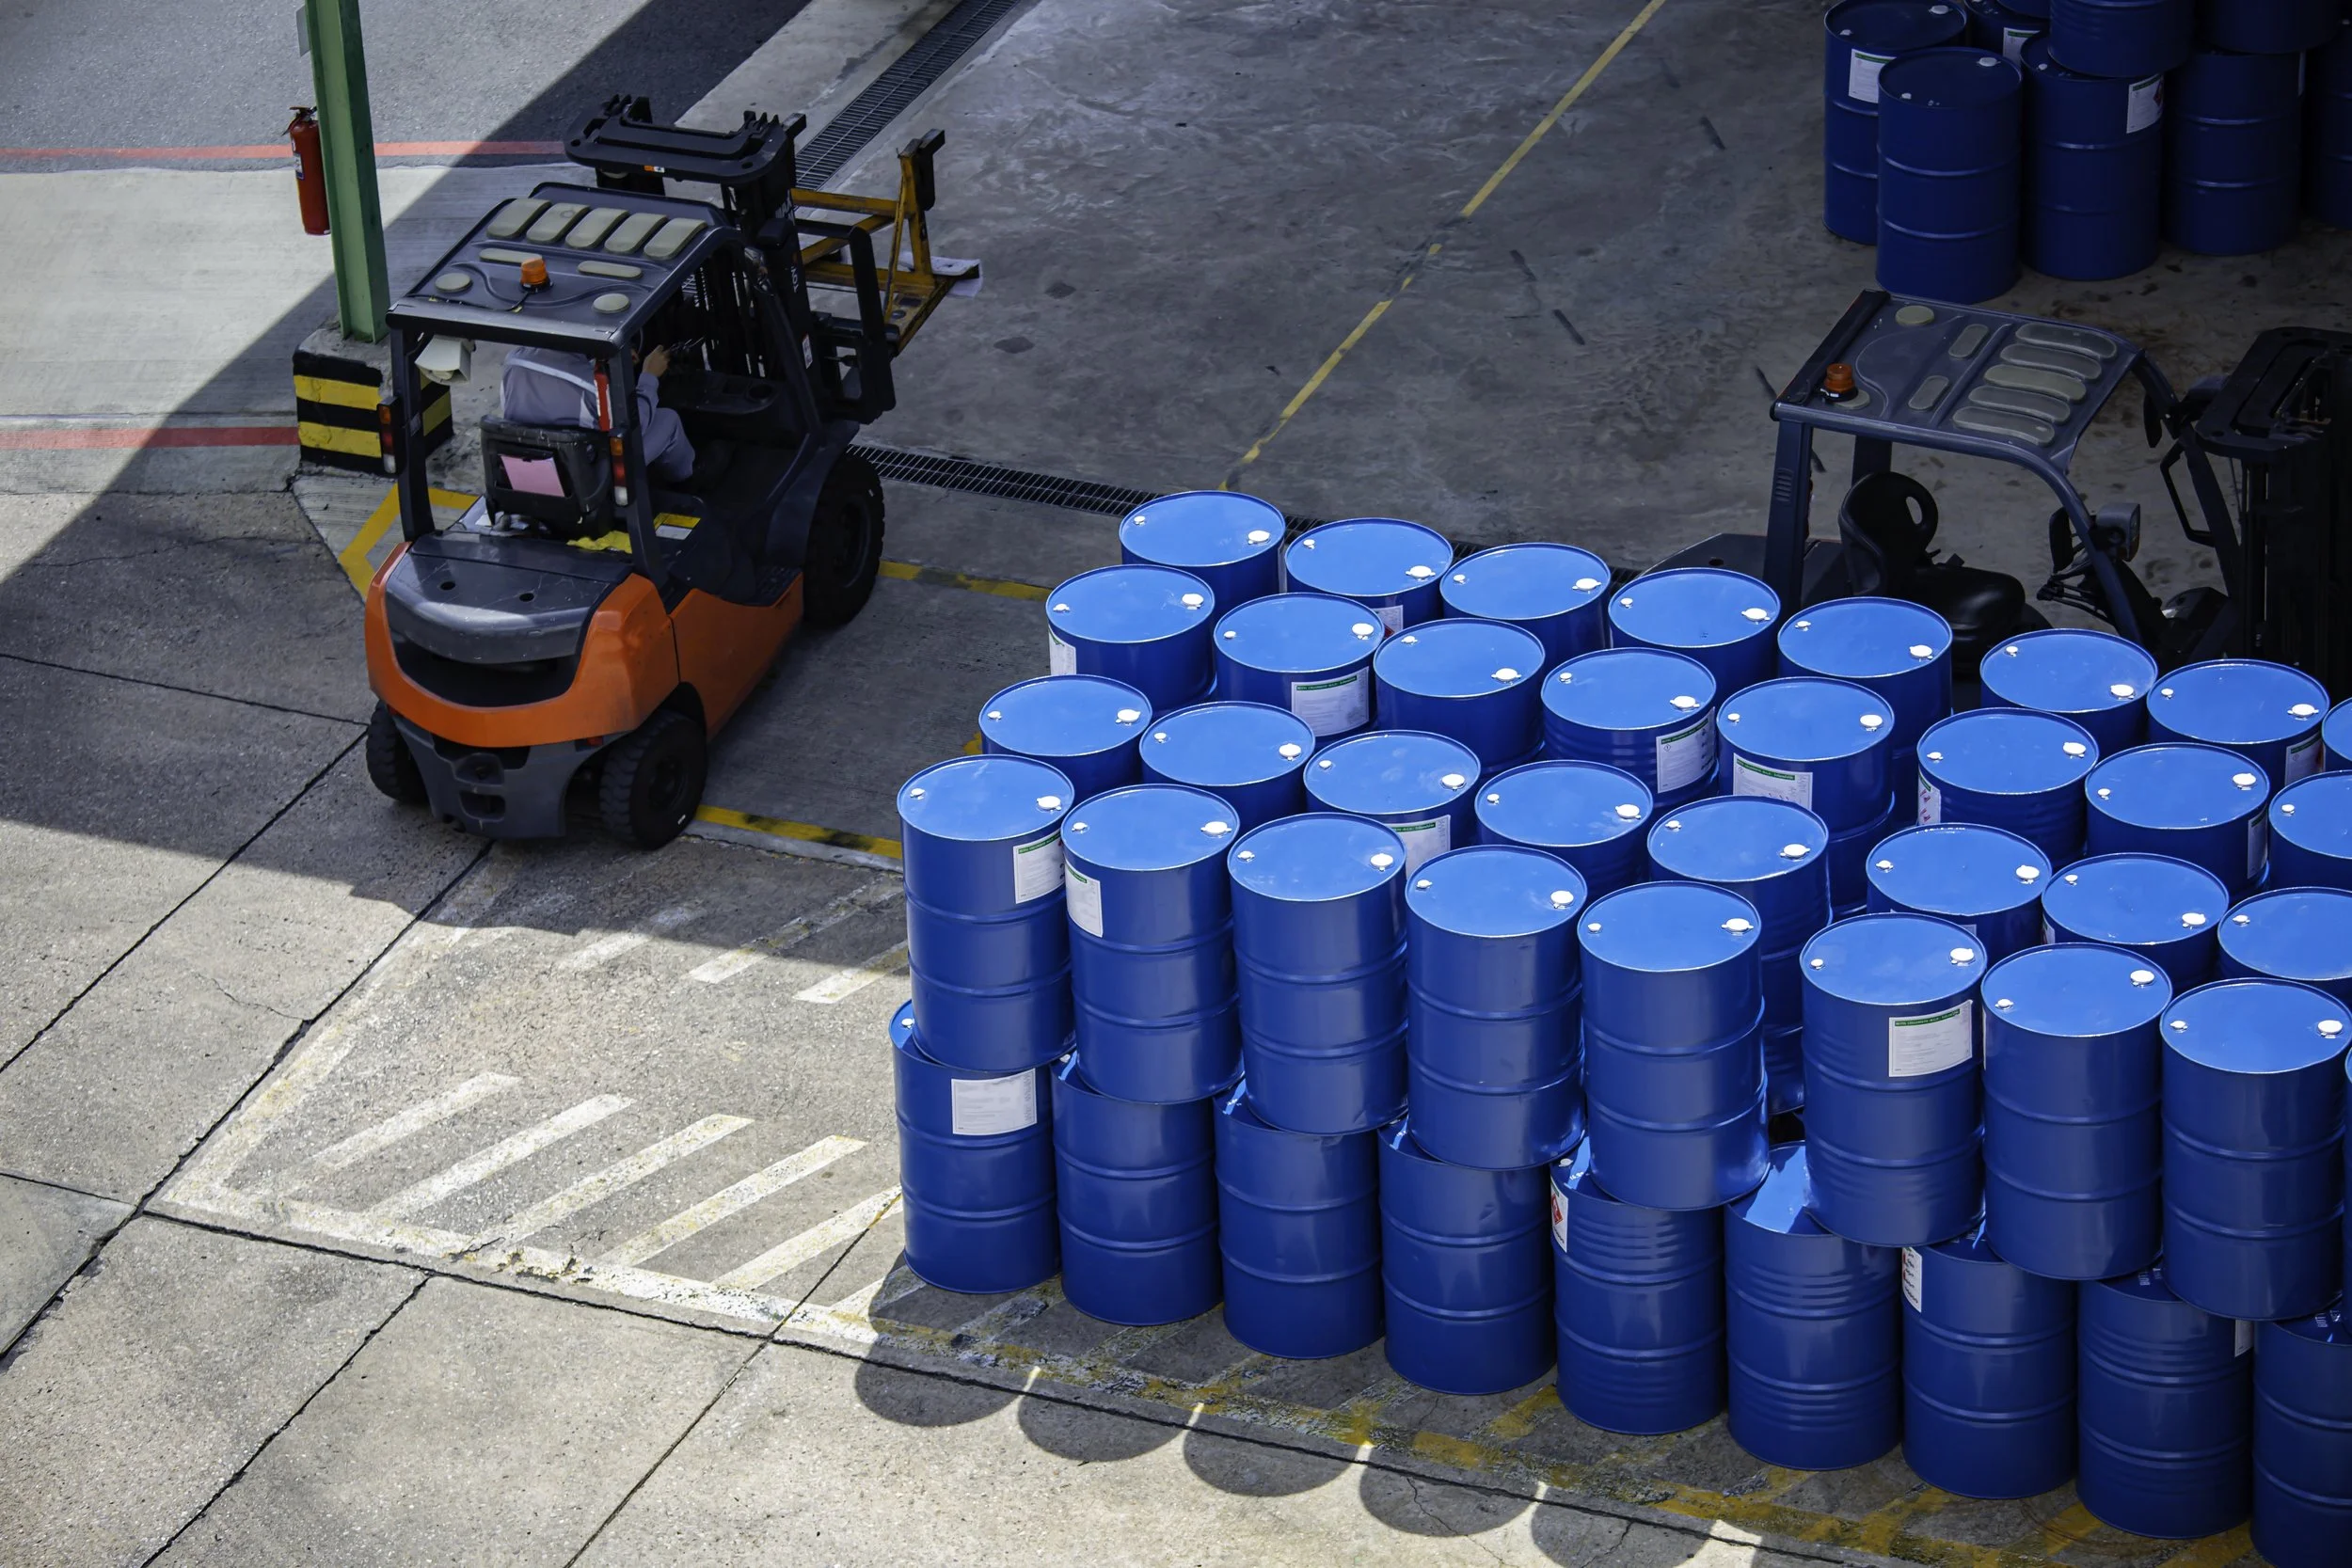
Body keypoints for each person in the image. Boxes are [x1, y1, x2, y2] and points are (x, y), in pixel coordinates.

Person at [501, 341, 694, 483]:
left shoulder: (513, 364)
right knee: (668, 419)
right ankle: (687, 480)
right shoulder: (592, 389)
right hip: (590, 479)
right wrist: (649, 377)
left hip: (532, 470)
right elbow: (635, 423)